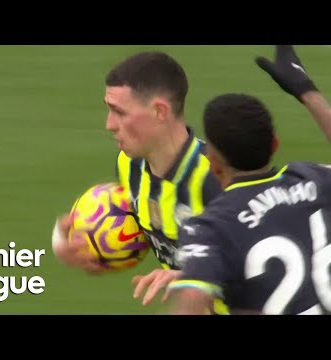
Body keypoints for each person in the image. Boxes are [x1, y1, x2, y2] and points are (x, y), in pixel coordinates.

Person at [166, 45, 331, 315]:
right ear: (275, 144)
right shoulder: (318, 179)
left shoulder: (209, 227)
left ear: (212, 162)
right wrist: (307, 91)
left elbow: (194, 299)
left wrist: (192, 276)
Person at [51, 51, 223, 309]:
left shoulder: (216, 178)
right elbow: (140, 224)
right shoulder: (129, 166)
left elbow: (264, 267)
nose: (109, 124)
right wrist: (72, 244)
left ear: (159, 111)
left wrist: (193, 278)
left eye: (119, 112)